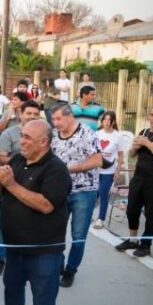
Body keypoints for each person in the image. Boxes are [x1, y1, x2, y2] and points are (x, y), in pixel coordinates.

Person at [0, 120, 73, 305]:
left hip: (44, 249)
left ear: (44, 142)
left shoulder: (57, 170)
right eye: (21, 136)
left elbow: (46, 205)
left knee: (42, 300)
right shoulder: (16, 161)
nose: (21, 141)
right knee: (11, 287)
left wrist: (11, 184)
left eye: (27, 138)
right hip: (15, 245)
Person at [50, 104, 102, 287]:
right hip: (59, 191)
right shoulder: (53, 135)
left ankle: (71, 271)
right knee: (56, 232)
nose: (55, 123)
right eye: (53, 119)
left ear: (70, 116)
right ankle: (59, 265)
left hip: (84, 191)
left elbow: (97, 160)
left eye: (58, 119)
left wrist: (69, 169)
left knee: (78, 234)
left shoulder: (87, 133)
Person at [115, 105, 153, 257]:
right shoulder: (144, 132)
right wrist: (135, 146)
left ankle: (146, 245)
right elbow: (133, 154)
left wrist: (148, 144)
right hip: (138, 177)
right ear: (149, 116)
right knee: (131, 210)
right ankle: (133, 240)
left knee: (151, 214)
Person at [0, 101, 42, 272]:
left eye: (36, 114)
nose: (32, 117)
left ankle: (30, 257)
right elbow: (1, 158)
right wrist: (23, 159)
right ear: (20, 114)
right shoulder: (9, 133)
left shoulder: (44, 134)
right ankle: (1, 258)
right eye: (29, 113)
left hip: (35, 183)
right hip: (10, 181)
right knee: (4, 222)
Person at [94, 111, 125, 229]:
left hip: (109, 170)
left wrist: (117, 171)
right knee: (93, 194)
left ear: (113, 121)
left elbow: (121, 155)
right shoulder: (97, 134)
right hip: (95, 169)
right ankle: (89, 214)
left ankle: (100, 219)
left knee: (103, 193)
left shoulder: (118, 136)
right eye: (104, 120)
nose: (106, 122)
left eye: (109, 120)